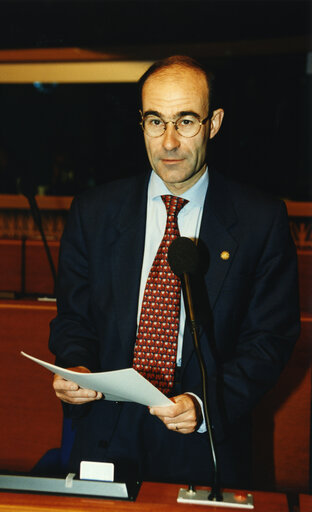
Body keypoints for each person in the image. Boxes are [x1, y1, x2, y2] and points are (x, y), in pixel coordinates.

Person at [50, 55, 300, 488]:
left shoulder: (261, 221)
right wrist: (77, 368)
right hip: (105, 436)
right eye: (155, 121)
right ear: (141, 124)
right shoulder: (93, 212)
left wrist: (205, 406)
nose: (168, 142)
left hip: (204, 443)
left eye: (185, 121)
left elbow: (269, 341)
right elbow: (74, 319)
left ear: (214, 123)